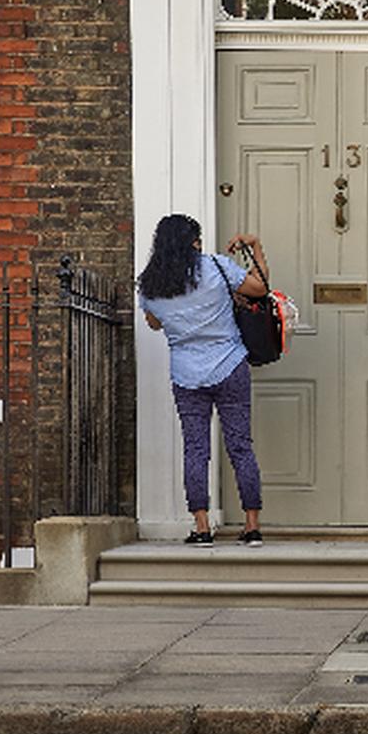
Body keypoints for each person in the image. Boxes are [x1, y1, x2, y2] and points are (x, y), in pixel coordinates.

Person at [138, 213, 271, 547]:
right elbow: (259, 288)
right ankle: (252, 525)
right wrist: (254, 246)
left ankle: (201, 527)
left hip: (186, 374)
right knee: (240, 445)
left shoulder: (150, 284)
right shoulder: (215, 266)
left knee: (196, 449)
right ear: (194, 242)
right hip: (230, 366)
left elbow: (154, 323)